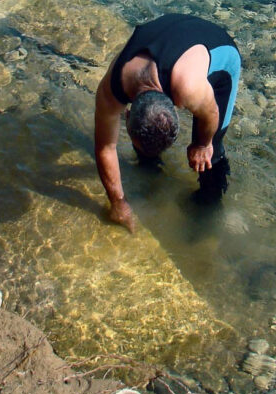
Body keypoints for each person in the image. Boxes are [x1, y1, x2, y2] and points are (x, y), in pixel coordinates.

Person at [94, 14, 241, 232]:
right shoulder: (111, 89)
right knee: (147, 135)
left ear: (176, 105)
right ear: (127, 116)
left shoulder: (189, 89)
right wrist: (118, 203)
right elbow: (105, 148)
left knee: (212, 151)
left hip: (221, 51)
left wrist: (202, 144)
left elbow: (211, 113)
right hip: (173, 34)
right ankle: (150, 170)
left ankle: (208, 206)